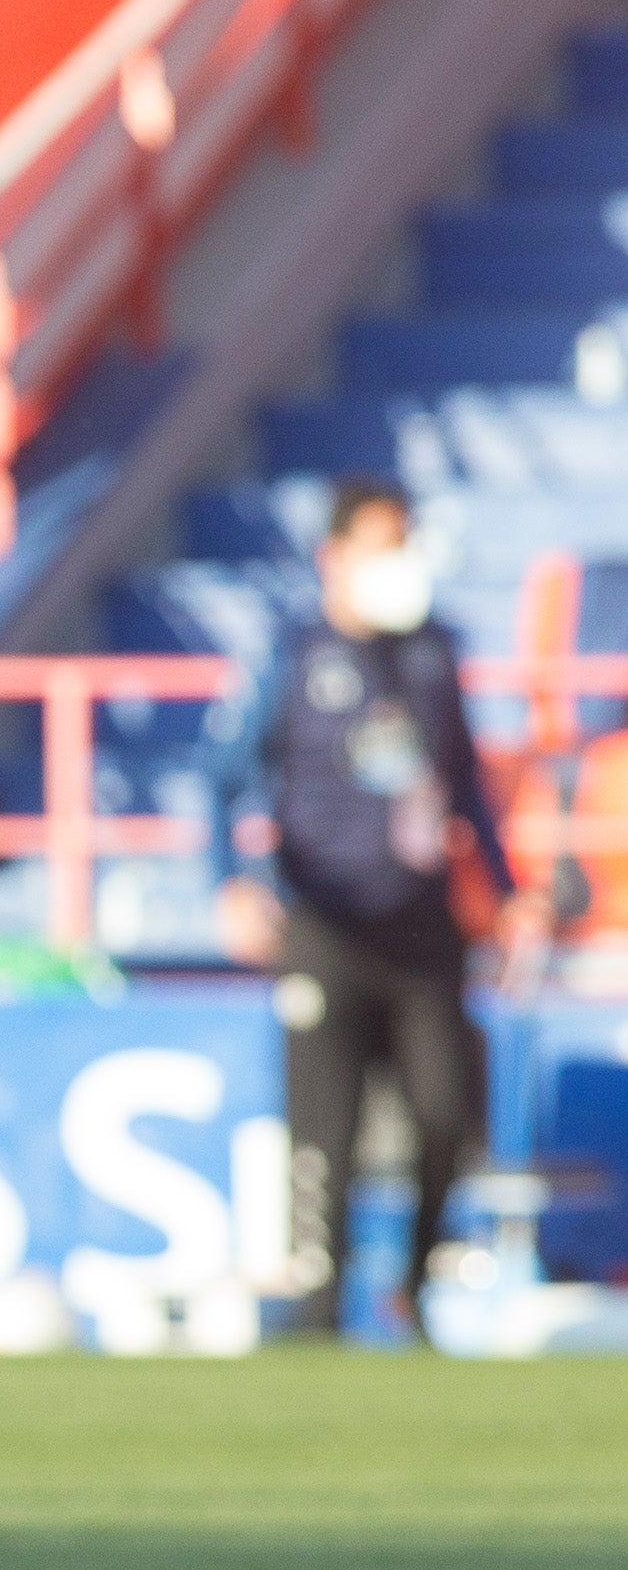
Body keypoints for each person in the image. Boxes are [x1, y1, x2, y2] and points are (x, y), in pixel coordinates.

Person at [217, 477, 534, 1340]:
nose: (398, 566)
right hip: (327, 923)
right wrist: (234, 880)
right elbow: (228, 777)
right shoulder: (292, 653)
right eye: (380, 546)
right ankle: (322, 1311)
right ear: (336, 558)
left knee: (443, 1113)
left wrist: (503, 897)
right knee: (328, 1129)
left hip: (423, 923)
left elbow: (466, 786)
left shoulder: (433, 654)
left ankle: (418, 1287)